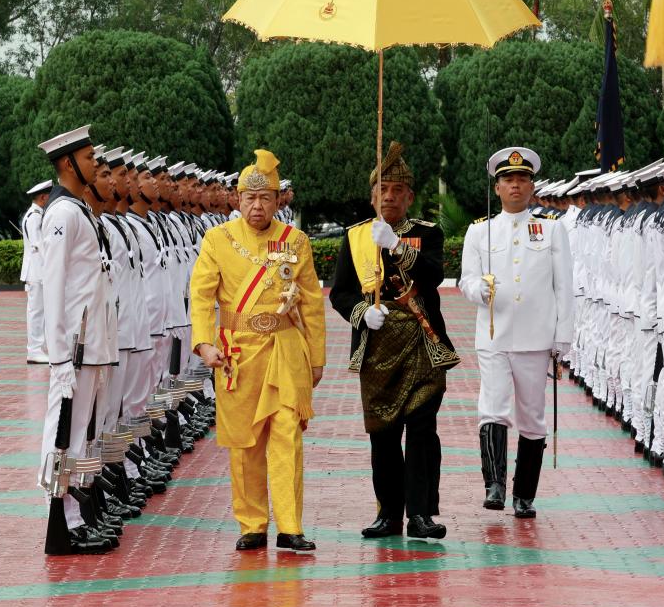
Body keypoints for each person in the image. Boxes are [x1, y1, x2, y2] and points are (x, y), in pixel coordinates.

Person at [191, 149, 326, 552]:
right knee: (245, 444)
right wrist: (203, 343)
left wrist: (316, 357)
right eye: (249, 198)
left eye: (265, 197)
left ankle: (290, 525)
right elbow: (201, 295)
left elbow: (311, 303)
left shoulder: (294, 241)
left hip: (285, 349)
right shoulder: (218, 239)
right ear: (237, 200)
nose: (256, 205)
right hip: (238, 353)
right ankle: (252, 523)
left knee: (287, 435)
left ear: (277, 200)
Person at [330, 141, 459, 540]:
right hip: (378, 346)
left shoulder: (427, 234)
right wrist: (360, 313)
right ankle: (389, 511)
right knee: (383, 434)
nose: (389, 196)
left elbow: (435, 276)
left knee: (421, 431)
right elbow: (341, 292)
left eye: (397, 191)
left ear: (410, 197)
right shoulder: (355, 237)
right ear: (372, 196)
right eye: (382, 190)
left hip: (422, 342)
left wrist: (397, 247)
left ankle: (421, 512)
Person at [459, 147, 573, 517]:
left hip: (535, 336)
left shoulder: (552, 229)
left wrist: (563, 336)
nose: (515, 185)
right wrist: (478, 290)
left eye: (522, 179)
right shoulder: (479, 231)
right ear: (497, 188)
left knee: (532, 415)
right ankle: (494, 486)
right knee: (492, 408)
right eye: (508, 180)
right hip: (494, 333)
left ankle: (524, 494)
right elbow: (466, 280)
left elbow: (564, 287)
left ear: (532, 185)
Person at [37, 126, 118, 555]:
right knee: (62, 432)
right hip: (75, 346)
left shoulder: (79, 210)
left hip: (92, 343)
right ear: (68, 163)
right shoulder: (62, 214)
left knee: (80, 433)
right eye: (88, 159)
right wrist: (58, 357)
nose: (94, 165)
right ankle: (60, 520)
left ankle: (73, 516)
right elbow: (52, 287)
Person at [21, 180, 52, 364]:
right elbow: (38, 244)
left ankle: (38, 348)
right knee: (36, 312)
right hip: (36, 272)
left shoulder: (36, 213)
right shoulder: (34, 216)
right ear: (43, 197)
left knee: (39, 311)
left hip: (39, 271)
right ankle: (34, 350)